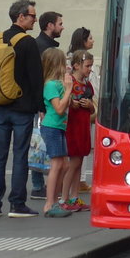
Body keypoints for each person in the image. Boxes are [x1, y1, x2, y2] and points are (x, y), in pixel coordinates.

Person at [0, 0, 43, 218]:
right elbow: (36, 77)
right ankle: (17, 204)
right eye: (32, 16)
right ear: (21, 17)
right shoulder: (28, 42)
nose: (35, 20)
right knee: (20, 155)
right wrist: (41, 107)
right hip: (22, 107)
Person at [39, 48, 75, 217]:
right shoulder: (50, 85)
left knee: (65, 164)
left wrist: (69, 91)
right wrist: (67, 90)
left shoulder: (57, 84)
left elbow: (67, 105)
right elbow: (59, 109)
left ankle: (55, 200)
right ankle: (49, 203)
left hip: (59, 126)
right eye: (64, 62)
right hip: (52, 126)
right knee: (57, 164)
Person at [31, 11, 63, 200]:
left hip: (45, 102)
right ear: (50, 25)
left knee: (41, 144)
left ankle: (43, 184)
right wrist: (41, 106)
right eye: (60, 23)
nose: (62, 27)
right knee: (40, 144)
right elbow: (38, 78)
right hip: (45, 103)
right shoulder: (41, 47)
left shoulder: (45, 45)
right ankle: (38, 185)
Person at [60, 48, 95, 212]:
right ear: (76, 65)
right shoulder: (69, 83)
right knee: (73, 163)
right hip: (72, 126)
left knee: (79, 162)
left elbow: (93, 109)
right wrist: (71, 103)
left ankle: (74, 197)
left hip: (83, 126)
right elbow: (60, 103)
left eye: (90, 66)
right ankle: (64, 198)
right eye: (87, 66)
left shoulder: (87, 85)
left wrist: (90, 106)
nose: (90, 69)